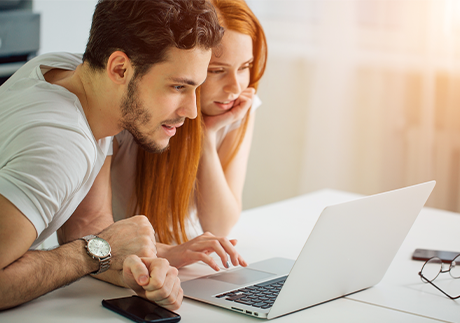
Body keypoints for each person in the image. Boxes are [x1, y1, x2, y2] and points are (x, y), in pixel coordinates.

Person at [0, 0, 228, 311]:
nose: (190, 111)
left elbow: (86, 223)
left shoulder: (64, 72)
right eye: (178, 86)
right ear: (119, 68)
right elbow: (90, 244)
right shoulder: (62, 145)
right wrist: (94, 253)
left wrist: (135, 266)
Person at [110, 0, 267, 269]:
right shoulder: (132, 112)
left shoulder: (238, 107)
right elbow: (90, 231)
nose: (235, 87)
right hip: (118, 264)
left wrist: (205, 138)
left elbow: (219, 224)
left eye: (244, 67)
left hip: (175, 264)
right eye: (217, 71)